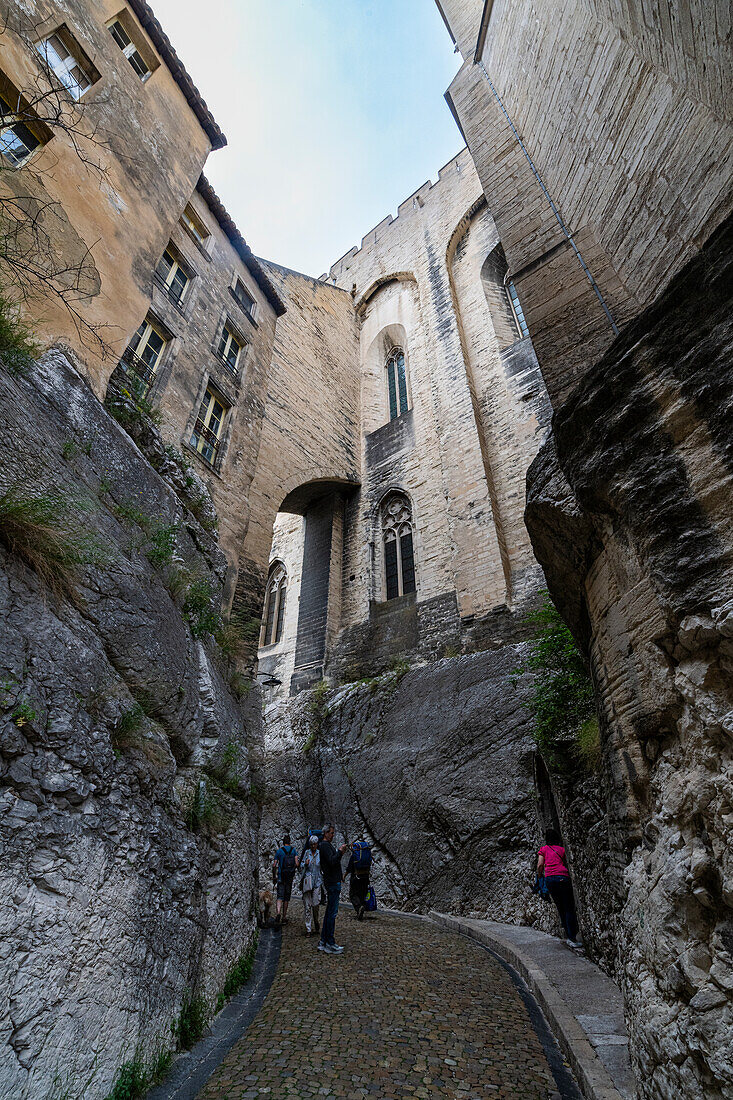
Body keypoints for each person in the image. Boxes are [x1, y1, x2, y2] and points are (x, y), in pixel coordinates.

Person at [537, 827, 580, 947]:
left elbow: (540, 864)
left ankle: (567, 935)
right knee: (569, 907)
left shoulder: (544, 849)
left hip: (550, 879)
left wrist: (540, 876)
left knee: (560, 907)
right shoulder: (561, 850)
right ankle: (572, 937)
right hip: (563, 877)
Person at [317, 823, 348, 954]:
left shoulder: (325, 846)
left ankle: (324, 941)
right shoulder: (324, 846)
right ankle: (330, 942)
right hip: (332, 882)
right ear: (325, 833)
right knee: (332, 913)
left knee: (329, 912)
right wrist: (340, 851)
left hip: (332, 881)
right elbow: (332, 861)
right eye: (331, 833)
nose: (333, 835)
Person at [272, 833, 299, 925]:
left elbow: (274, 865)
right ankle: (284, 917)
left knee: (279, 896)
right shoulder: (293, 850)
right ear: (290, 842)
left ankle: (278, 913)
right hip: (289, 877)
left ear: (283, 842)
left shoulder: (279, 851)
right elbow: (297, 863)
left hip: (281, 876)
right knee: (286, 898)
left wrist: (274, 876)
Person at [300, 834, 323, 934]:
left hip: (317, 882)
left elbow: (322, 867)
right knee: (307, 906)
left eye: (315, 844)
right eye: (311, 844)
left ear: (317, 844)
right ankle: (308, 928)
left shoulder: (320, 854)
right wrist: (304, 864)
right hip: (307, 882)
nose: (313, 846)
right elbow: (301, 866)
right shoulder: (306, 853)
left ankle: (316, 921)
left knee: (316, 904)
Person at [345, 839, 372, 920]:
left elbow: (349, 868)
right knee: (362, 894)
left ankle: (359, 907)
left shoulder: (354, 856)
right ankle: (361, 908)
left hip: (356, 877)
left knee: (353, 894)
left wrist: (343, 876)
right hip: (365, 877)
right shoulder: (367, 854)